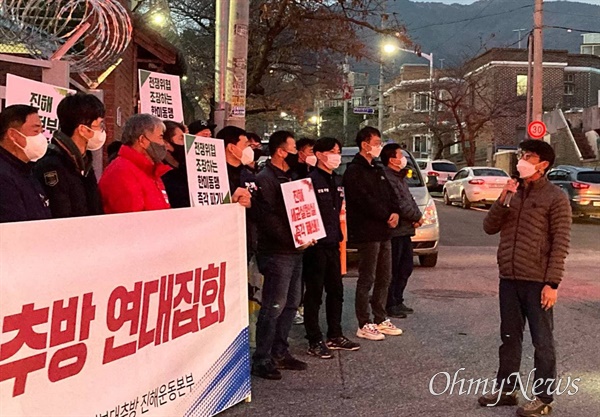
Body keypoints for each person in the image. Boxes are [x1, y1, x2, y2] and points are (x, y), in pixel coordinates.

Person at [479, 140, 571, 417]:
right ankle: (506, 390)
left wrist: (552, 283)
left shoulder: (555, 197)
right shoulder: (513, 192)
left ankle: (543, 398)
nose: (522, 160)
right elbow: (488, 227)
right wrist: (503, 198)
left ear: (542, 165)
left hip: (537, 280)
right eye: (521, 155)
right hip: (509, 277)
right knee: (509, 337)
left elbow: (560, 244)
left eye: (528, 156)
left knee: (542, 341)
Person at [252, 130, 313, 380]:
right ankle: (262, 357)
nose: (297, 153)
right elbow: (267, 218)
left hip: (295, 249)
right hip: (278, 251)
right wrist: (294, 238)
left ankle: (280, 350)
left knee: (291, 303)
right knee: (273, 305)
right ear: (280, 151)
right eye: (293, 148)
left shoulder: (291, 176)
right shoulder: (266, 179)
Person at [342, 126, 402, 341]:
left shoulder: (377, 168)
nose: (379, 146)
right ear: (365, 144)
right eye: (376, 142)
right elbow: (363, 200)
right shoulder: (354, 171)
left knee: (385, 276)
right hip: (367, 231)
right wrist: (385, 213)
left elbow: (390, 194)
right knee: (367, 276)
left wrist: (395, 211)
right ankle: (364, 322)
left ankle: (380, 316)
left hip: (384, 231)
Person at [303, 137, 361, 359]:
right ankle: (314, 338)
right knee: (314, 293)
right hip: (315, 246)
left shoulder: (336, 180)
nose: (336, 156)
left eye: (338, 151)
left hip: (333, 243)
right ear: (319, 154)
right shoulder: (310, 181)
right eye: (332, 151)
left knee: (336, 290)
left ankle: (334, 334)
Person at [34, 93, 105, 218]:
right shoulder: (51, 166)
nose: (102, 130)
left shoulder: (84, 163)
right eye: (99, 125)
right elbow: (61, 215)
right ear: (83, 129)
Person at [380, 144, 424, 318]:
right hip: (395, 231)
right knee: (394, 268)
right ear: (392, 159)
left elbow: (409, 199)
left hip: (405, 230)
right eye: (400, 155)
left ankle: (398, 299)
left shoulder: (400, 177)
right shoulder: (388, 177)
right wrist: (416, 217)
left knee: (405, 267)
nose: (403, 159)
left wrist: (417, 216)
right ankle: (390, 302)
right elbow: (400, 203)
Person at [98, 114, 171, 214]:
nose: (164, 144)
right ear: (142, 140)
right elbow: (132, 221)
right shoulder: (122, 172)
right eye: (160, 137)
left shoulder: (149, 172)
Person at [0, 105, 51, 223]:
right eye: (36, 130)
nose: (41, 137)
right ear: (13, 135)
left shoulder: (27, 170)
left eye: (42, 131)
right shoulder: (3, 176)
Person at [215, 126, 256, 253]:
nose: (249, 150)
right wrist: (229, 198)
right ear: (231, 148)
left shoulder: (249, 175)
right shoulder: (215, 174)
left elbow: (262, 207)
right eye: (245, 145)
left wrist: (250, 204)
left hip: (245, 242)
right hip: (220, 241)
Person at [161, 121, 190, 208]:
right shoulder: (161, 173)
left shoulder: (186, 168)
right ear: (166, 143)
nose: (185, 143)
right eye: (181, 139)